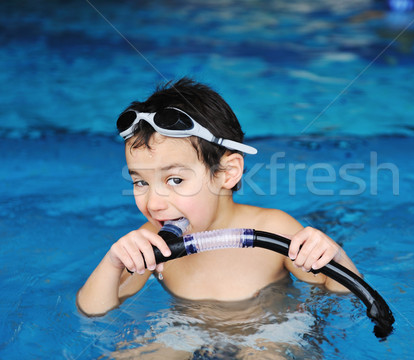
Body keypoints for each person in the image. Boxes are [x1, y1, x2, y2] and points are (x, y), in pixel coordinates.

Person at [76, 77, 362, 316]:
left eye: (175, 179)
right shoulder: (152, 242)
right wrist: (113, 262)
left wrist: (334, 253)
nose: (153, 203)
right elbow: (94, 310)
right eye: (140, 182)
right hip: (185, 333)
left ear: (227, 172)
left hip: (264, 333)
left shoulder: (275, 230)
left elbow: (343, 292)